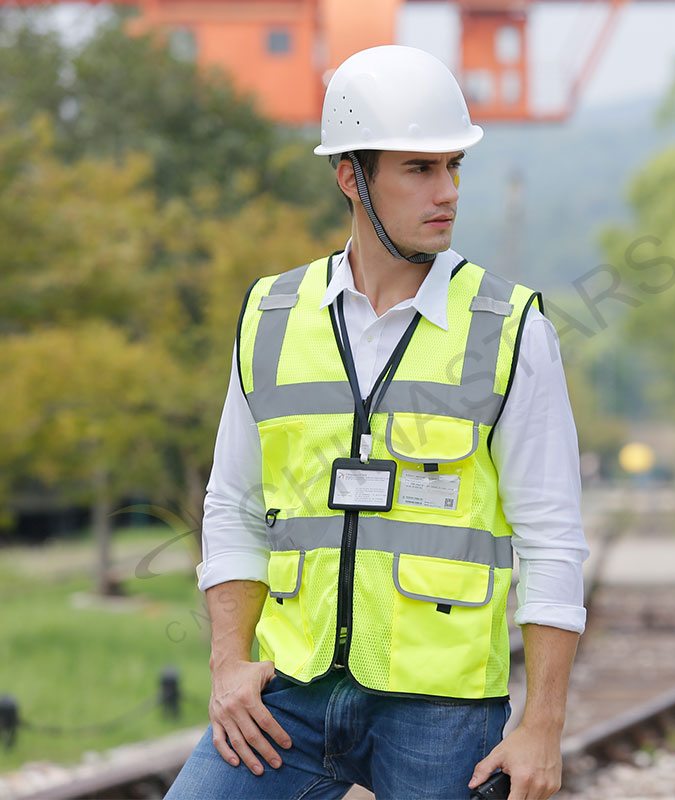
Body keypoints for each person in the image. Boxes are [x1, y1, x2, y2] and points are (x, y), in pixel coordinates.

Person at [166, 45, 589, 800]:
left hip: (442, 712)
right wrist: (228, 666)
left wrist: (543, 725)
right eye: (419, 169)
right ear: (350, 176)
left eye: (453, 167)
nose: (447, 191)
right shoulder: (271, 317)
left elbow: (551, 536)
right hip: (286, 700)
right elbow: (231, 508)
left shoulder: (510, 329)